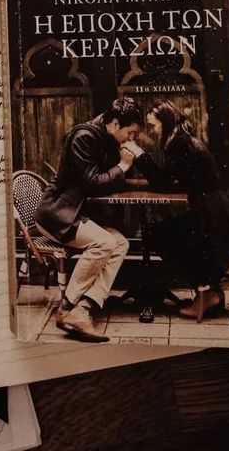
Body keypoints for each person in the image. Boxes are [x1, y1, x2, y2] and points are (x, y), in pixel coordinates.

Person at [129, 99, 229, 321]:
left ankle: (205, 297)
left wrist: (138, 155)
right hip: (218, 210)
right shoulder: (182, 138)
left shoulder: (178, 143)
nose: (154, 130)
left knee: (161, 236)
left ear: (165, 123)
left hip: (215, 216)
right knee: (161, 233)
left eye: (155, 125)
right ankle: (209, 294)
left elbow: (163, 183)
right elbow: (177, 179)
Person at [33, 96, 144, 342]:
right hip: (56, 215)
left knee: (121, 243)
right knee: (104, 242)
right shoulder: (84, 137)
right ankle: (66, 307)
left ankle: (84, 307)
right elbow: (93, 183)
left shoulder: (105, 137)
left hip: (76, 214)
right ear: (115, 123)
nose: (132, 139)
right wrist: (123, 166)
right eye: (131, 133)